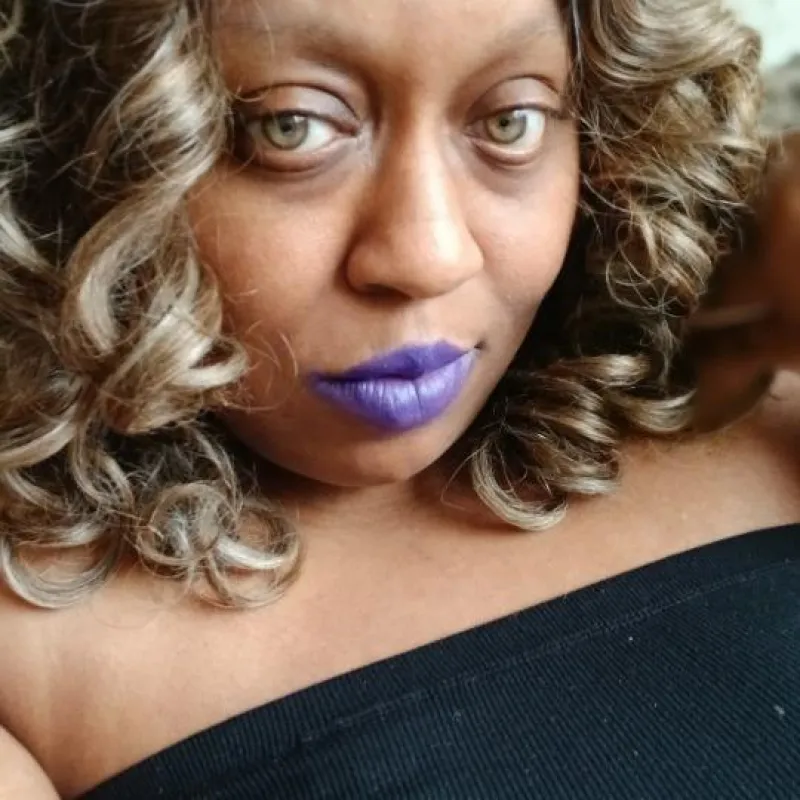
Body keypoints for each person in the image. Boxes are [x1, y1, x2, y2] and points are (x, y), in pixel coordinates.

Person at [0, 0, 797, 797]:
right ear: (69, 142)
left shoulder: (760, 406)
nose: (428, 256)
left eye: (511, 121)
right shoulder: (26, 661)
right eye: (290, 127)